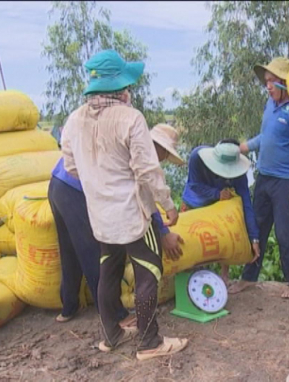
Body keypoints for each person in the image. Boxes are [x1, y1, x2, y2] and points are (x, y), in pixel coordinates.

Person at [60, 49, 188, 360]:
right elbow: (147, 169)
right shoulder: (130, 118)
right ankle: (149, 342)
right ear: (120, 86)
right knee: (148, 272)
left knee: (109, 270)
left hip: (100, 215)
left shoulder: (74, 120)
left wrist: (99, 181)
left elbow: (71, 166)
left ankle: (111, 335)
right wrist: (167, 204)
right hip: (132, 213)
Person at [49, 123, 185, 325]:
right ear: (159, 147)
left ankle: (69, 307)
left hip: (58, 184)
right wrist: (164, 232)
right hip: (77, 190)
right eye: (164, 155)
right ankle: (115, 316)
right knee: (94, 252)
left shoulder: (129, 141)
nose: (163, 160)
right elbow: (145, 198)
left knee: (70, 250)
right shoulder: (137, 153)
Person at [229, 57, 289, 299]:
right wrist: (242, 147)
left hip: (287, 182)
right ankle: (249, 277)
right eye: (266, 82)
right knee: (256, 229)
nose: (267, 86)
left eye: (272, 81)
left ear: (286, 82)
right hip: (264, 178)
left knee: (286, 235)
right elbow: (265, 138)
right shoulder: (271, 105)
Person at [179, 140, 260, 281]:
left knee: (226, 237)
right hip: (195, 202)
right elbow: (194, 185)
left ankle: (224, 277)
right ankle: (188, 280)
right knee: (191, 246)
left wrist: (254, 237)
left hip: (219, 205)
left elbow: (246, 202)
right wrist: (216, 193)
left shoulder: (239, 172)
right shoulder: (197, 157)